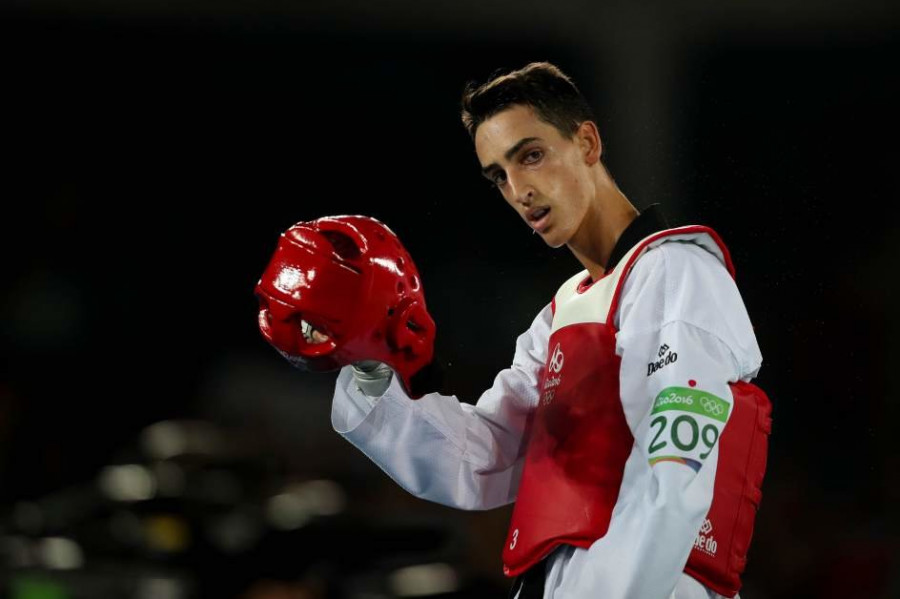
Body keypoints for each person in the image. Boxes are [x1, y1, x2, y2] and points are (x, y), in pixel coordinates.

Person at [257, 62, 771, 599]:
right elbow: (485, 457)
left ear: (588, 143)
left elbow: (676, 476)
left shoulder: (677, 271)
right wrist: (369, 366)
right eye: (499, 175)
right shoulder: (560, 315)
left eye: (531, 156)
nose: (519, 190)